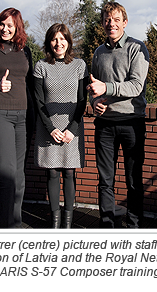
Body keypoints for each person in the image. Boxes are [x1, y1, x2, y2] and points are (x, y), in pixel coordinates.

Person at [87, 2, 150, 228]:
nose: (110, 24)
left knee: (133, 181)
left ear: (124, 22)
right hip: (104, 125)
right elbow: (94, 86)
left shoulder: (136, 48)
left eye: (115, 19)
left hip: (132, 123)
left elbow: (135, 86)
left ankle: (133, 226)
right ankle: (107, 226)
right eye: (107, 19)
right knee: (105, 181)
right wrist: (95, 102)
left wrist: (106, 89)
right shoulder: (98, 52)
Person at [0, 7, 34, 228]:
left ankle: (16, 221)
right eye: (2, 24)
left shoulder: (25, 51)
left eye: (10, 25)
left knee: (19, 174)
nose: (5, 29)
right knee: (6, 171)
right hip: (0, 114)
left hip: (23, 116)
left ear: (17, 27)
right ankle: (3, 225)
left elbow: (30, 83)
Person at [33, 23, 88, 228]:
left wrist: (72, 130)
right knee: (52, 172)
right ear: (49, 42)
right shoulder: (40, 66)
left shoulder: (80, 65)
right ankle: (55, 223)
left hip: (71, 128)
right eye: (55, 39)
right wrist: (51, 128)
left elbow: (82, 100)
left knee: (69, 172)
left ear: (68, 42)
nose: (59, 43)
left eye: (63, 39)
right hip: (49, 127)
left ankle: (67, 223)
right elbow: (38, 101)